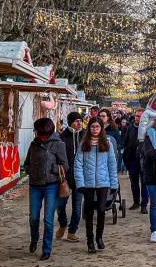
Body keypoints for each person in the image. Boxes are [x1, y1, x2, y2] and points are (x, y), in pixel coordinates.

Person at [22, 117, 69, 261]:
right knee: (33, 217)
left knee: (48, 219)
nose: (33, 130)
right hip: (34, 185)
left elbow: (65, 165)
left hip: (51, 185)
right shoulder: (34, 144)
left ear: (42, 129)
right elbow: (27, 162)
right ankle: (34, 239)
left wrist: (50, 169)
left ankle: (46, 249)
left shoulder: (58, 144)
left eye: (35, 128)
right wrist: (30, 169)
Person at [73, 117, 118, 254]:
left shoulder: (107, 143)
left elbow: (112, 163)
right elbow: (78, 164)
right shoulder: (84, 144)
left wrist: (114, 182)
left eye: (97, 127)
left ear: (101, 128)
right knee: (89, 211)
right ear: (89, 128)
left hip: (103, 182)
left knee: (101, 210)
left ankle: (99, 237)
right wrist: (80, 183)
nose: (95, 129)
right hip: (88, 183)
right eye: (93, 127)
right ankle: (90, 241)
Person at [58, 112, 85, 242]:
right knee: (61, 205)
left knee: (77, 206)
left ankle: (72, 231)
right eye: (76, 121)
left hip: (80, 177)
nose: (80, 123)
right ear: (70, 123)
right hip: (65, 176)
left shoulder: (85, 136)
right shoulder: (62, 138)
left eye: (81, 121)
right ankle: (63, 224)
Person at [123, 109, 149, 213]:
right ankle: (136, 201)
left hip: (144, 159)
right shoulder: (130, 128)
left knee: (144, 182)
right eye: (137, 116)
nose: (138, 118)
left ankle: (144, 204)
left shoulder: (148, 129)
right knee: (134, 182)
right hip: (132, 158)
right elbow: (126, 142)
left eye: (140, 116)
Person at [100, 108, 124, 173]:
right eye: (100, 116)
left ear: (108, 117)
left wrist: (113, 146)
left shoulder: (113, 129)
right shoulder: (96, 128)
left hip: (110, 155)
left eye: (103, 116)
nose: (101, 118)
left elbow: (119, 143)